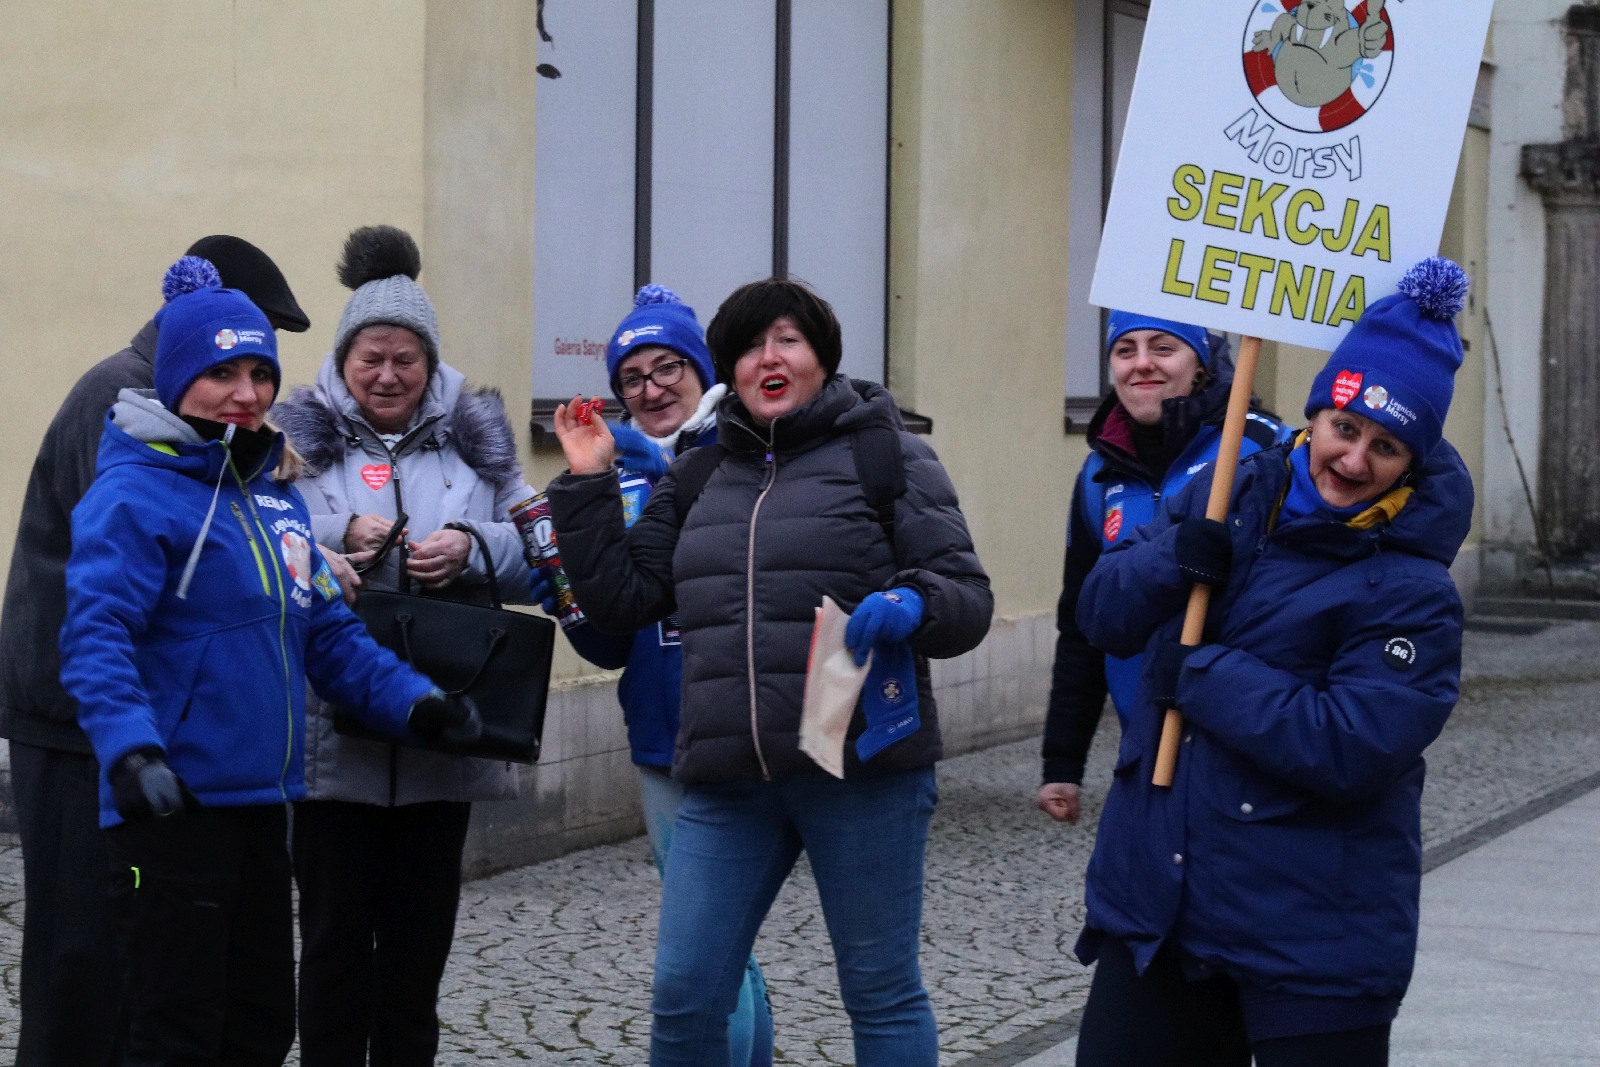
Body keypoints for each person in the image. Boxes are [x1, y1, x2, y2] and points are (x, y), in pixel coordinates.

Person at [545, 277, 993, 1066]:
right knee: (685, 994)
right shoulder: (697, 474)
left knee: (880, 993)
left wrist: (912, 603)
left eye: (788, 339)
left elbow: (966, 596)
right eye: (751, 345)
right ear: (730, 371)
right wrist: (585, 484)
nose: (769, 357)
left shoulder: (886, 453)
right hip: (729, 778)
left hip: (860, 767)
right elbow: (621, 599)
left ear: (822, 356)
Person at [59, 258, 477, 1066]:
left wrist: (418, 703)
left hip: (262, 805)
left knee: (258, 1026)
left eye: (259, 371)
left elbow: (327, 635)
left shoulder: (272, 497)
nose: (246, 392)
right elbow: (95, 634)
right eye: (221, 372)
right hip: (170, 812)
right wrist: (133, 752)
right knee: (176, 1033)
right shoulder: (132, 495)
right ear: (178, 378)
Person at [1069, 258, 1474, 1066]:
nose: (1354, 460)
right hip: (1163, 907)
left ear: (1412, 463)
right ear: (1317, 414)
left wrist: (1201, 675)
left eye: (1387, 446)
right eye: (1345, 427)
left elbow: (1349, 744)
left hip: (1315, 936)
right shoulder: (1224, 491)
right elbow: (1102, 614)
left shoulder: (1415, 590)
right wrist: (1169, 560)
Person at [0, 235, 310, 1067]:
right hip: (77, 726)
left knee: (147, 968)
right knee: (80, 960)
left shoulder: (182, 402)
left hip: (132, 722)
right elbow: (120, 584)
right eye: (238, 344)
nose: (251, 378)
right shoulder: (127, 396)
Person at [272, 224, 536, 1067]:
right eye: (370, 358)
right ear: (345, 360)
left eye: (405, 358)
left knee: (417, 969)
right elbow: (251, 533)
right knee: (333, 956)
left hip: (441, 744)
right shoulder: (293, 441)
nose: (387, 374)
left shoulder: (480, 442)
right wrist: (336, 530)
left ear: (430, 363)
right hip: (329, 746)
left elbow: (542, 553)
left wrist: (472, 545)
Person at [531, 284, 774, 1066]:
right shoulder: (613, 479)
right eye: (631, 376)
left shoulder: (742, 454)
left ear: (701, 367)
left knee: (707, 953)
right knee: (724, 946)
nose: (651, 387)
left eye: (667, 366)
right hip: (663, 738)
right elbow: (610, 644)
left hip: (749, 723)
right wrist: (567, 597)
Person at [1037, 315, 1289, 825]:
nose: (1142, 363)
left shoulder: (1264, 449)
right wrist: (1062, 761)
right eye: (1124, 350)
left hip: (1248, 747)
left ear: (1199, 361)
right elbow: (1082, 626)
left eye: (1163, 347)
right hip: (1147, 747)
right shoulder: (1097, 475)